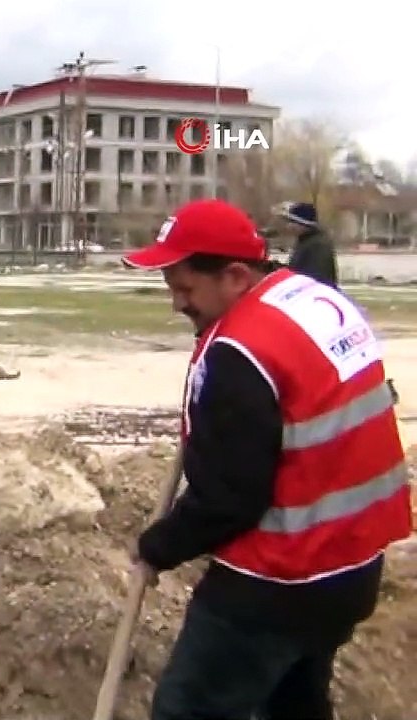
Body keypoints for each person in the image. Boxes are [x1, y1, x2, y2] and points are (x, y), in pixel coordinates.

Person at [121, 198, 411, 720]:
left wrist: (158, 546)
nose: (177, 304)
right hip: (353, 567)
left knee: (188, 709)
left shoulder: (240, 352)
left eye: (185, 289)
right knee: (294, 703)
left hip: (277, 584)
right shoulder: (311, 299)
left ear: (235, 275)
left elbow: (229, 499)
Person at [278, 200, 338, 287]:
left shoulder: (318, 245)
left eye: (292, 222)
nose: (288, 226)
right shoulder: (305, 241)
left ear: (303, 223)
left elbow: (316, 278)